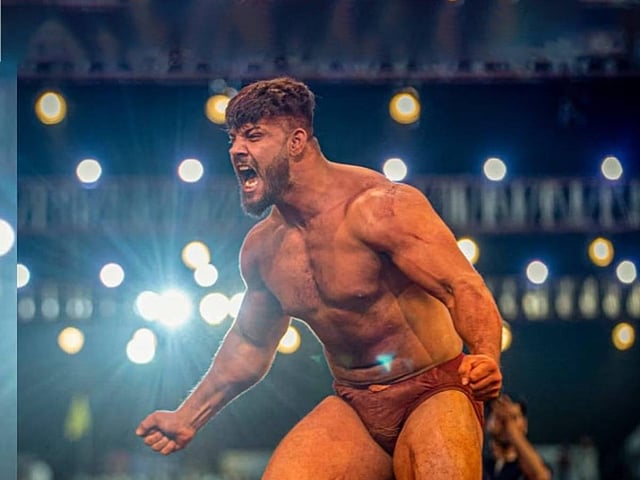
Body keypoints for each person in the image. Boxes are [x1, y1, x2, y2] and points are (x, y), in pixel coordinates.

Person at [136, 77, 504, 479]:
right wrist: (188, 416)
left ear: (296, 142)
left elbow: (462, 286)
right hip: (356, 404)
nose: (236, 149)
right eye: (233, 138)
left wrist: (486, 356)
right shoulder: (263, 248)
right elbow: (250, 343)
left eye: (253, 136)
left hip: (435, 389)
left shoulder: (380, 208)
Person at [483, 395, 552, 480]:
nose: (505, 424)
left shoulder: (528, 467)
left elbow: (541, 476)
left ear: (525, 425)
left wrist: (511, 427)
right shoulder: (480, 464)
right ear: (487, 423)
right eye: (499, 417)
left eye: (513, 417)